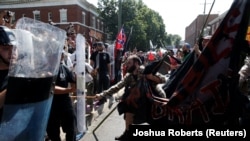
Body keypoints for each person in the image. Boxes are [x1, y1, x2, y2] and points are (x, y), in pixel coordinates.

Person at [95, 54, 167, 140]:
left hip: (153, 100)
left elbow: (163, 79)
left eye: (129, 63)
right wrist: (102, 95)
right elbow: (117, 86)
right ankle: (127, 133)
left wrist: (151, 77)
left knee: (157, 121)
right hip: (140, 101)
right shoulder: (129, 76)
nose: (127, 65)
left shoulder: (145, 70)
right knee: (128, 110)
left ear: (136, 63)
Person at [46, 51, 77, 141]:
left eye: (61, 55)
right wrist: (69, 90)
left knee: (71, 126)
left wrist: (77, 83)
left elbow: (73, 81)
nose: (60, 57)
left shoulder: (64, 68)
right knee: (53, 130)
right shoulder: (46, 70)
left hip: (65, 101)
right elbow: (51, 88)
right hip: (51, 103)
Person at [0, 25, 17, 121]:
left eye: (14, 47)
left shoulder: (21, 71)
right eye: (6, 48)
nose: (12, 52)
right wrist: (14, 86)